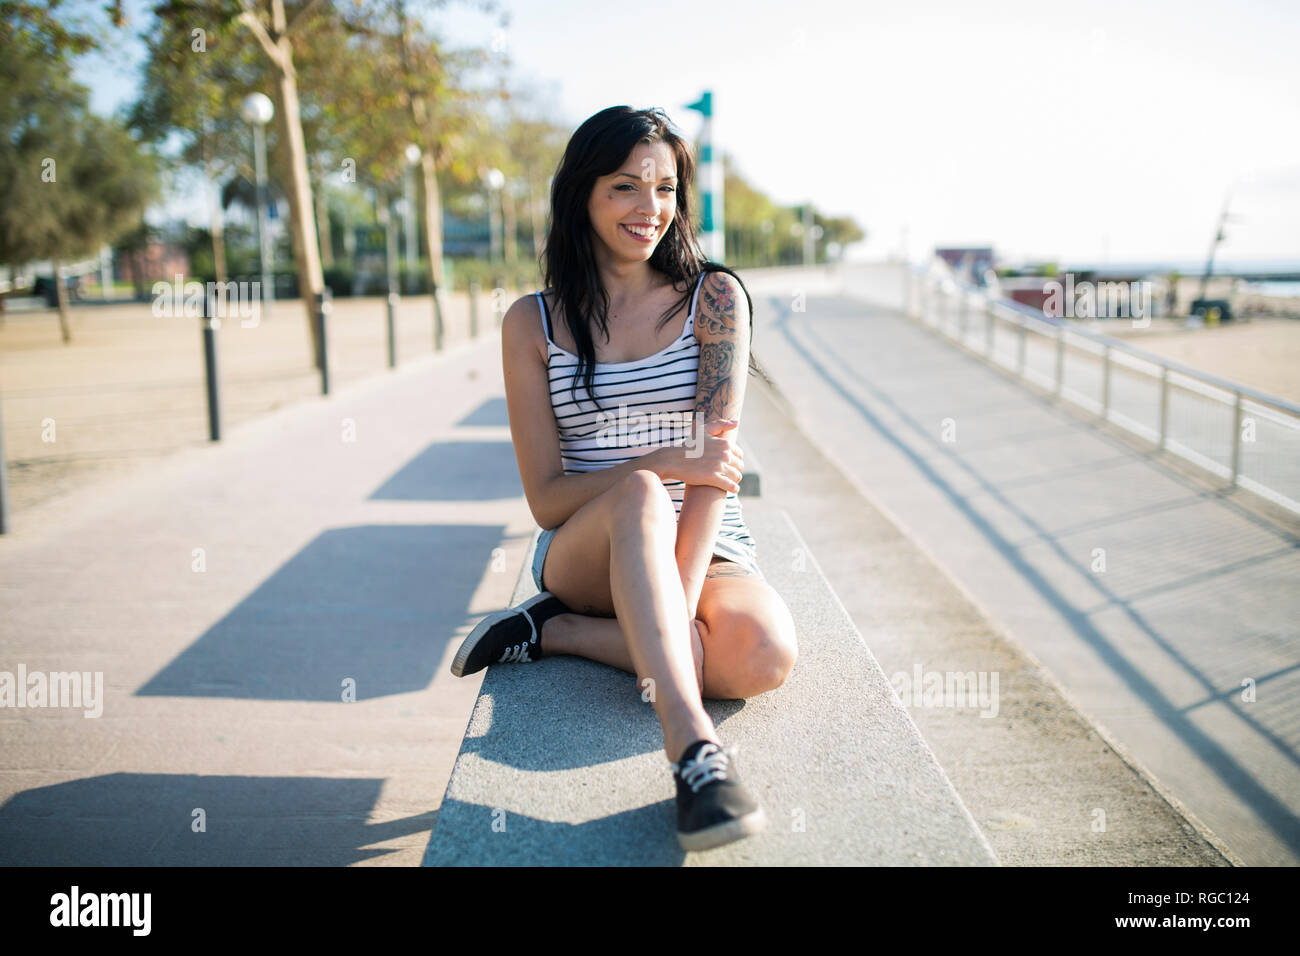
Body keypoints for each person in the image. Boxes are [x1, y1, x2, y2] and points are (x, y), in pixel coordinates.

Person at [449, 105, 797, 852]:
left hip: (707, 536)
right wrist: (661, 461)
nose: (650, 209)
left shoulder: (715, 302)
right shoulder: (532, 324)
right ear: (583, 194)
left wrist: (670, 593)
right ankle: (695, 755)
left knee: (763, 652)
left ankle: (558, 632)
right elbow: (546, 498)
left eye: (666, 189)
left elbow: (713, 479)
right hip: (589, 549)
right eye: (626, 187)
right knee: (638, 492)